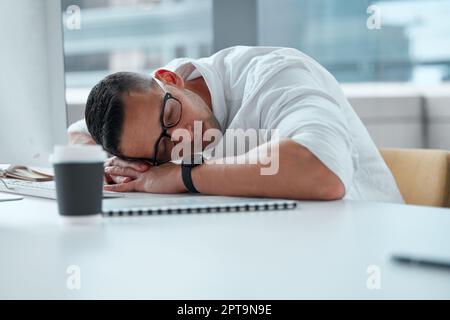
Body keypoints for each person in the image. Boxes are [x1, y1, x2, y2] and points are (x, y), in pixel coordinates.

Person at [68, 46, 403, 202]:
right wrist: (110, 165)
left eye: (172, 117)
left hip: (363, 247)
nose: (185, 136)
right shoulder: (145, 108)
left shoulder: (272, 75)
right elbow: (80, 133)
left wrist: (181, 175)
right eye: (163, 148)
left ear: (171, 79)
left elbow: (322, 171)